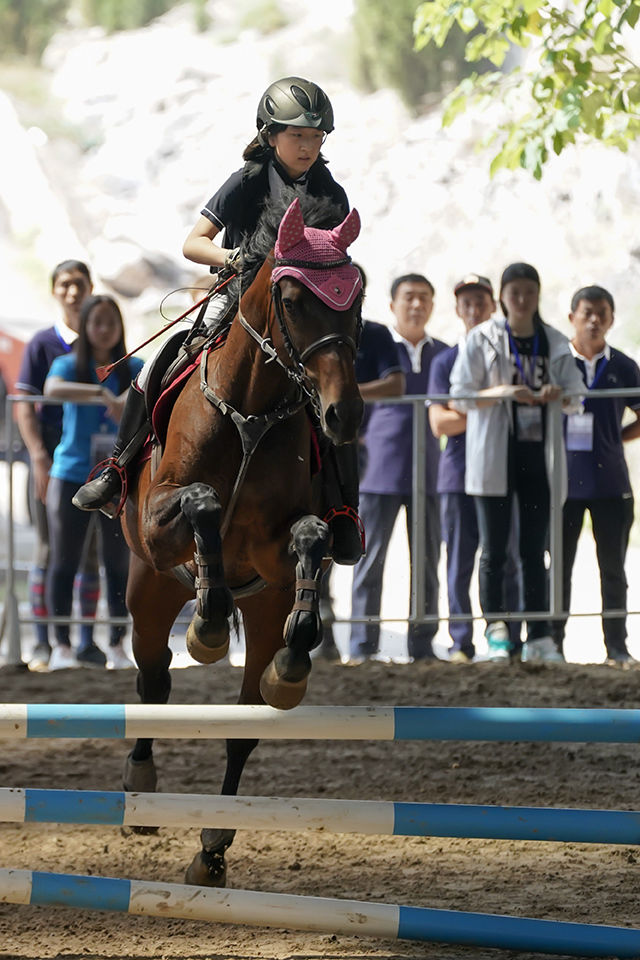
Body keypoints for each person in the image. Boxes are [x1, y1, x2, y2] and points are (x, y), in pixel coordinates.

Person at [71, 76, 363, 566]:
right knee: (157, 365)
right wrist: (230, 259)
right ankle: (118, 470)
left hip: (297, 316)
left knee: (337, 395)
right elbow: (193, 242)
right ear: (271, 135)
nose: (308, 146)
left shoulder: (331, 191)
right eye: (297, 136)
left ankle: (342, 510)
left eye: (316, 138)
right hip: (240, 298)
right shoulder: (247, 181)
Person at [450, 262, 585, 663]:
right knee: (493, 551)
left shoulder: (556, 342)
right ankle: (497, 634)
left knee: (532, 551)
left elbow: (577, 398)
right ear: (502, 298)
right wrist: (505, 391)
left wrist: (560, 393)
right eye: (514, 293)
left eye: (529, 292)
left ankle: (540, 636)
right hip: (494, 455)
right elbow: (459, 396)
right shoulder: (482, 339)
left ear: (538, 295)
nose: (522, 300)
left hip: (538, 459)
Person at [349, 273, 447, 663]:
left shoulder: (445, 353)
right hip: (379, 470)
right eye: (409, 297)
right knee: (369, 561)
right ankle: (361, 647)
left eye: (424, 297)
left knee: (427, 562)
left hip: (430, 471)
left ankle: (422, 646)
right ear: (392, 305)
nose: (416, 305)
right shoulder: (376, 345)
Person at [43, 295, 143, 670]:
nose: (103, 330)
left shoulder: (134, 366)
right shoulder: (68, 364)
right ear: (84, 327)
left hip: (117, 477)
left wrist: (126, 397)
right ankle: (61, 646)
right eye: (96, 322)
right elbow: (52, 390)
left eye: (110, 323)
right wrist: (101, 393)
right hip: (71, 474)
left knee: (117, 562)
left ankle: (117, 644)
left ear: (120, 328)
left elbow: (155, 390)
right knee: (64, 560)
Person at [429, 274, 522, 662]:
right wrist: (491, 407)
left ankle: (511, 637)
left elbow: (519, 407)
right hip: (457, 471)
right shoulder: (445, 360)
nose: (473, 309)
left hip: (501, 470)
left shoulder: (511, 354)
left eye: (480, 302)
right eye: (465, 303)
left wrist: (471, 406)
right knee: (460, 561)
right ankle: (460, 641)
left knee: (507, 556)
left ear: (493, 306)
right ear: (457, 309)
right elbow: (440, 423)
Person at [15, 260, 101, 671]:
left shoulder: (104, 338)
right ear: (55, 290)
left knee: (92, 554)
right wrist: (38, 457)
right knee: (50, 549)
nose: (72, 292)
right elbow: (26, 406)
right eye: (65, 284)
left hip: (94, 460)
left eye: (79, 284)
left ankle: (87, 642)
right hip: (53, 458)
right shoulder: (41, 344)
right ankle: (45, 641)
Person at [317, 264, 404, 662]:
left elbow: (396, 383)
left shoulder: (376, 333)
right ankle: (322, 635)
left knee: (351, 535)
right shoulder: (312, 327)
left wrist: (343, 393)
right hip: (318, 445)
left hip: (361, 449)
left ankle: (360, 643)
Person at [551, 285, 640, 664]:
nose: (594, 320)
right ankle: (552, 645)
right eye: (587, 312)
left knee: (613, 570)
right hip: (563, 485)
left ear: (611, 319)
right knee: (559, 567)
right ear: (571, 317)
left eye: (602, 312)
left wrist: (614, 440)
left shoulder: (623, 365)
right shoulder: (555, 362)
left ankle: (617, 647)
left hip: (610, 484)